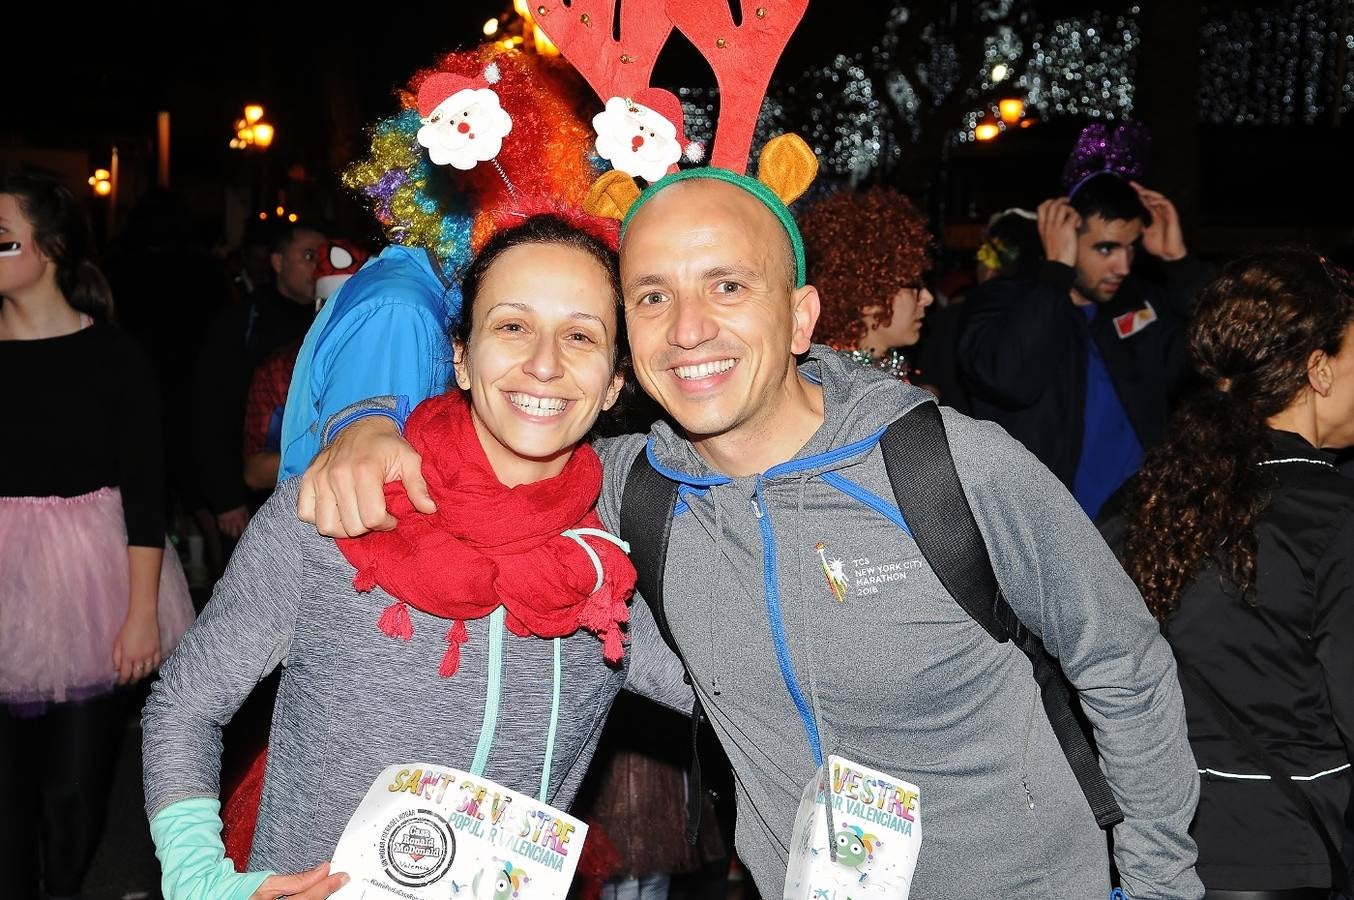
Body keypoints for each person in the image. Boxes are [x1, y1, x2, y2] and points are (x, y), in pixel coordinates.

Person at [299, 165, 1205, 897]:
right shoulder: (626, 487)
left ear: (802, 314)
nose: (690, 329)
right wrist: (367, 423)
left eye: (727, 285)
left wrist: (1163, 885)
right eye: (651, 297)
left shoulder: (949, 468)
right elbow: (483, 454)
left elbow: (1123, 662)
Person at [142, 214, 689, 900]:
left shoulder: (615, 561)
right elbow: (186, 704)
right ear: (460, 355)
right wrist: (201, 879)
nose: (544, 363)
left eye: (580, 335)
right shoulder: (340, 509)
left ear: (614, 384)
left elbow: (738, 697)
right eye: (512, 326)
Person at [1108, 250, 1354, 896]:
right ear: (1319, 370)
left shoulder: (1149, 499)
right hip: (1290, 852)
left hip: (1156, 848)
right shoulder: (1333, 517)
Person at [0, 169, 196, 900]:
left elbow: (146, 495)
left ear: (46, 248)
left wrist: (141, 613)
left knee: (72, 796)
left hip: (90, 583)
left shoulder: (115, 356)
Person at [959, 132, 1212, 519]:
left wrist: (1180, 264)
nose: (1123, 266)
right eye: (1106, 248)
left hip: (1135, 533)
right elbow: (1010, 379)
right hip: (1047, 538)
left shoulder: (1140, 307)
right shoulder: (1004, 301)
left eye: (1130, 248)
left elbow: (1219, 359)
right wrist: (1056, 273)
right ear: (1063, 236)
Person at [195, 221, 327, 538]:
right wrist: (226, 496)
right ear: (278, 262)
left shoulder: (329, 320)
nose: (319, 267)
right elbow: (212, 411)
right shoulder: (242, 323)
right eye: (309, 256)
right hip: (254, 490)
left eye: (324, 256)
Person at [796, 186, 934, 382]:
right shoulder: (835, 387)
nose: (927, 298)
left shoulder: (868, 377)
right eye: (914, 286)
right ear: (868, 297)